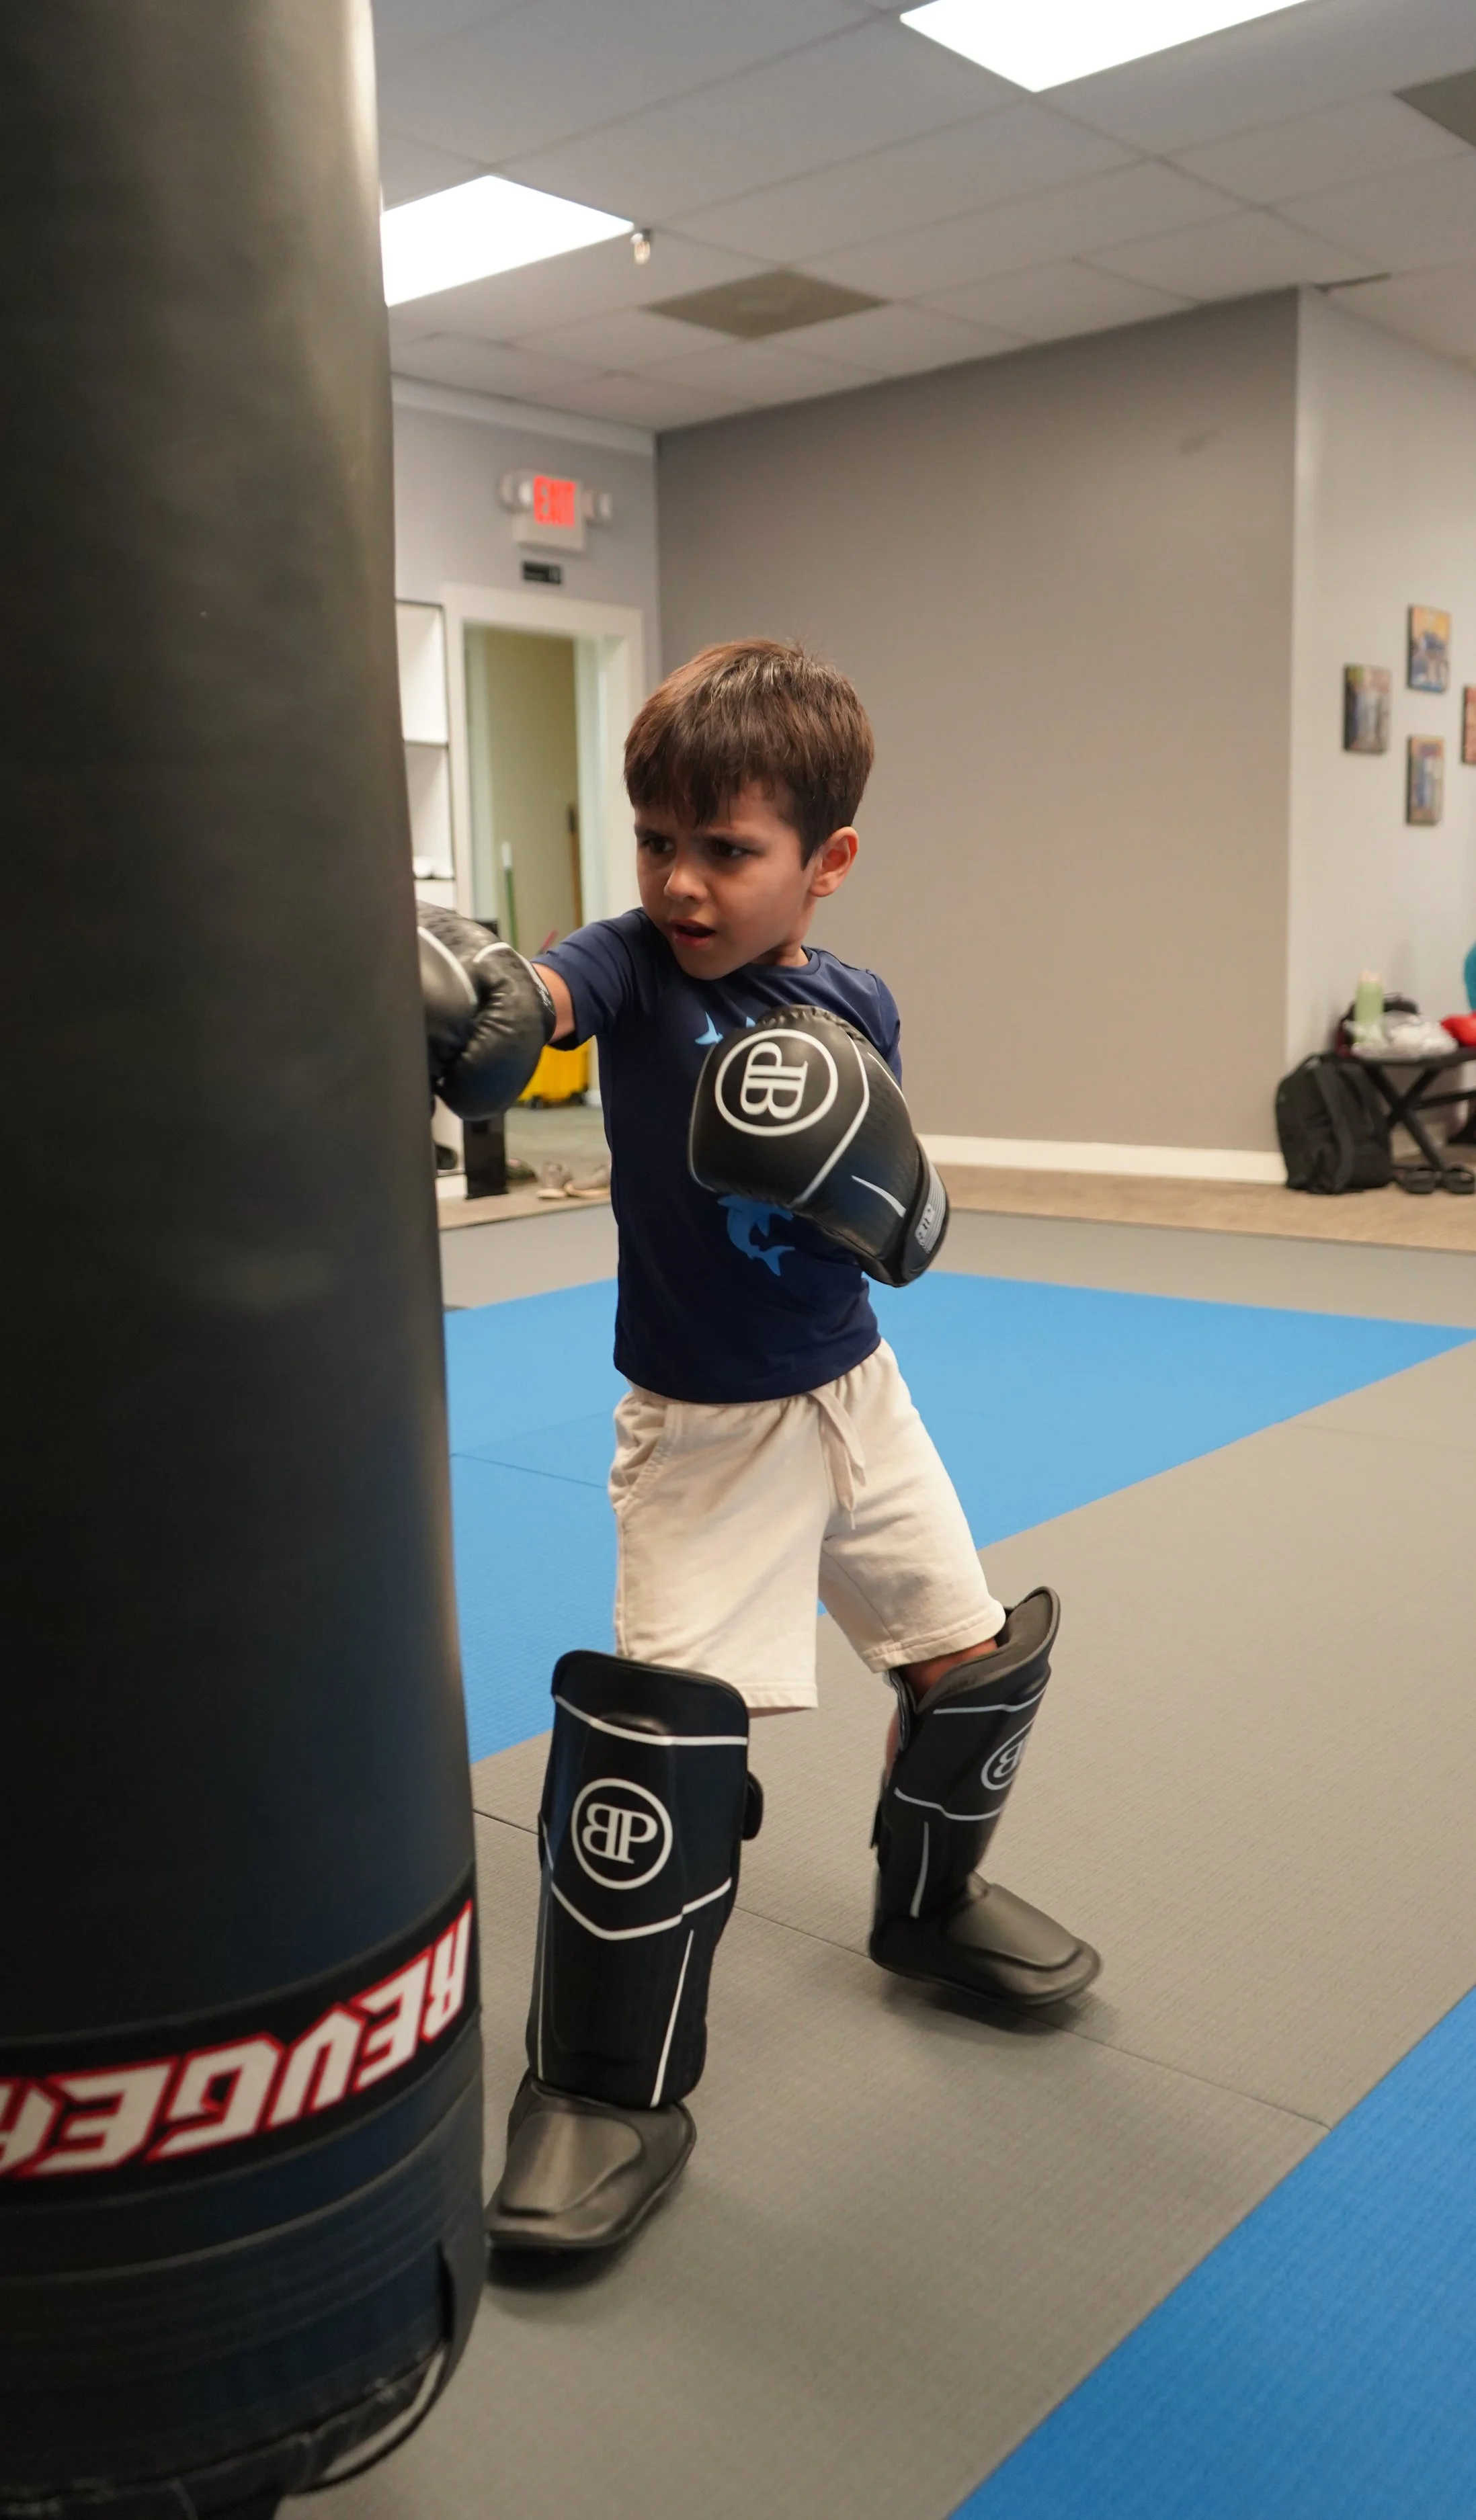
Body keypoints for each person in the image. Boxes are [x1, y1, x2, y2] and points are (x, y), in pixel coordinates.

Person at [419, 640, 1098, 2258]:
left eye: (725, 850)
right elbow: (547, 1003)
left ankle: (923, 1913)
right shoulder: (635, 965)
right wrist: (483, 1003)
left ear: (824, 865)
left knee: (966, 1666)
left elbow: (879, 1215)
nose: (678, 880)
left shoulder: (854, 1000)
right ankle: (604, 2089)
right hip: (703, 1433)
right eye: (655, 839)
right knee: (658, 1750)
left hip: (855, 1398)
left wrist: (897, 1201)